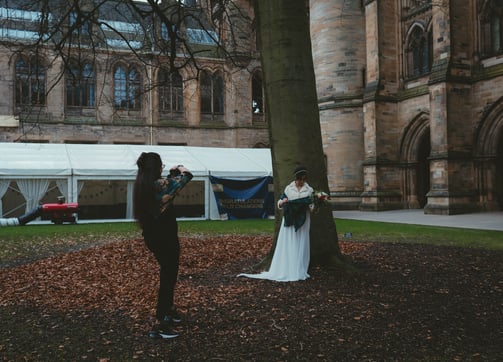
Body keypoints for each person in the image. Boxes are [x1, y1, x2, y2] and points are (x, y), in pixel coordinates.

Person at [133, 152, 193, 339]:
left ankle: (169, 310)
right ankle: (160, 323)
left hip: (153, 237)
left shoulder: (143, 185)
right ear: (156, 168)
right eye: (161, 165)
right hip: (165, 238)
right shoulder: (159, 185)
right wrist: (181, 168)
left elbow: (168, 185)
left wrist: (171, 173)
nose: (163, 168)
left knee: (168, 274)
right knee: (168, 277)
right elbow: (186, 177)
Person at [238, 165, 314, 282]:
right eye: (300, 179)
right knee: (290, 243)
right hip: (290, 219)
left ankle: (299, 267)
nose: (302, 182)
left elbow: (312, 206)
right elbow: (280, 201)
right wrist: (282, 202)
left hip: (303, 220)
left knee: (301, 243)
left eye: (304, 179)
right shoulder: (289, 189)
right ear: (296, 178)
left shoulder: (309, 190)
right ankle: (288, 267)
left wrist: (312, 205)